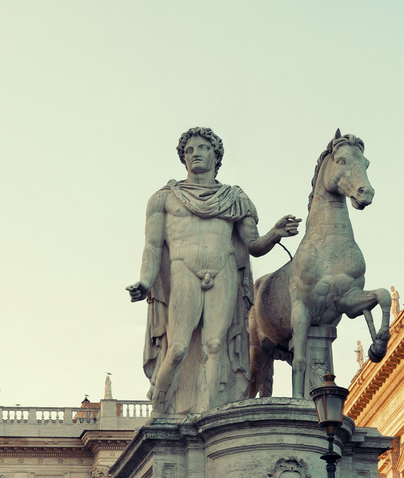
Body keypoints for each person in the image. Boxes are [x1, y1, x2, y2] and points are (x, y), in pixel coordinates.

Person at [127, 127, 300, 415]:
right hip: (184, 270)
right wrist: (145, 282)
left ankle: (207, 417)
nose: (195, 154)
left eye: (202, 148)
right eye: (189, 150)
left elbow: (254, 245)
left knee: (215, 346)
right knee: (179, 346)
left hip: (224, 271)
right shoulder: (164, 198)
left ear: (215, 154)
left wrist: (276, 232)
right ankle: (159, 408)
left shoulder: (235, 198)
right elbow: (153, 247)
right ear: (183, 159)